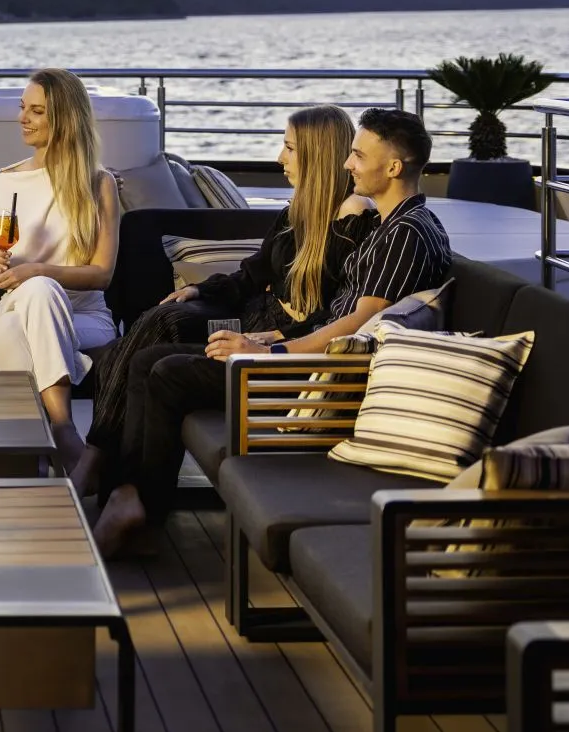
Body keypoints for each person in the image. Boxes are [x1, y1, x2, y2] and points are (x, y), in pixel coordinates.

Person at [90, 106, 451, 557]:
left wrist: (275, 351)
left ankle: (131, 498)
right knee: (149, 358)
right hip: (295, 352)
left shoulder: (403, 234)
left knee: (164, 370)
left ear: (393, 167)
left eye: (357, 155)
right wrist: (268, 339)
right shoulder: (390, 226)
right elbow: (318, 305)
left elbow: (357, 325)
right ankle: (130, 499)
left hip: (311, 378)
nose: (347, 164)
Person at [72, 105, 368, 499]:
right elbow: (250, 275)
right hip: (247, 312)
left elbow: (335, 313)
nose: (280, 158)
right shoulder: (295, 211)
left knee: (155, 334)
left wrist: (277, 335)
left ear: (318, 153)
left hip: (272, 333)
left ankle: (99, 461)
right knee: (152, 323)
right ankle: (105, 467)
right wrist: (199, 290)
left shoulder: (351, 218)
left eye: (290, 148)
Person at [0, 68, 121, 474]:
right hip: (9, 305)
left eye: (36, 111)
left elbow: (102, 275)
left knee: (27, 309)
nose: (22, 118)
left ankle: (28, 457)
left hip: (86, 318)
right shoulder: (5, 182)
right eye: (23, 108)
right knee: (25, 303)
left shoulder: (99, 184)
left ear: (64, 117)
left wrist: (37, 271)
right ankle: (64, 429)